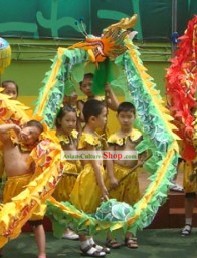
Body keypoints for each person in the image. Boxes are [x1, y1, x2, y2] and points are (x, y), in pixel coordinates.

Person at [0, 120, 46, 258]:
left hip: (29, 187)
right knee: (6, 219)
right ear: (23, 126)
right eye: (29, 131)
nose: (30, 137)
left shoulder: (35, 150)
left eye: (34, 136)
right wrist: (14, 127)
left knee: (36, 222)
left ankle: (42, 253)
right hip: (12, 186)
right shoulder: (9, 140)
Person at [69, 99, 110, 257]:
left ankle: (90, 241)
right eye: (104, 116)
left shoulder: (93, 135)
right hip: (91, 176)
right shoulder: (87, 137)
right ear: (93, 118)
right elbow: (93, 163)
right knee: (85, 210)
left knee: (91, 209)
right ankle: (84, 244)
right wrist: (102, 184)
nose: (106, 119)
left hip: (95, 175)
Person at [106, 102, 146, 249]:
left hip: (132, 175)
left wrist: (141, 160)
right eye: (123, 116)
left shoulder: (139, 136)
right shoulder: (113, 137)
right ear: (117, 116)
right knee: (113, 205)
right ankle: (111, 237)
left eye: (129, 116)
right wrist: (111, 177)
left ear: (134, 117)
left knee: (132, 205)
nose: (126, 120)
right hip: (117, 173)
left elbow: (143, 154)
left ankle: (130, 236)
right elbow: (109, 158)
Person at [53, 105, 80, 240]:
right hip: (64, 173)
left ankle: (70, 225)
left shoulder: (74, 135)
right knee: (63, 200)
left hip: (74, 172)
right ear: (59, 121)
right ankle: (64, 229)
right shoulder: (57, 137)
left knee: (72, 200)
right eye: (67, 120)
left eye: (73, 120)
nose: (71, 123)